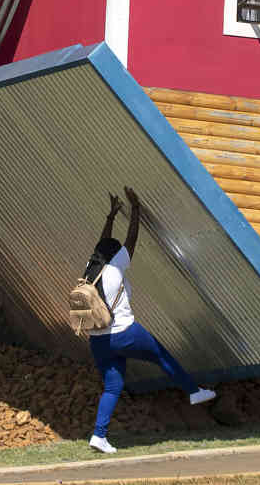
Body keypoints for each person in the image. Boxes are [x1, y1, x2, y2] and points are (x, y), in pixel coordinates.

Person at [83, 187, 215, 454]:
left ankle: (99, 435)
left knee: (113, 386)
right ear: (115, 255)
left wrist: (110, 217)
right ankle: (193, 391)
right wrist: (136, 209)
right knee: (162, 355)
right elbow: (131, 240)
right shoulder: (114, 268)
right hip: (125, 333)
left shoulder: (90, 268)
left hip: (98, 340)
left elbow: (102, 243)